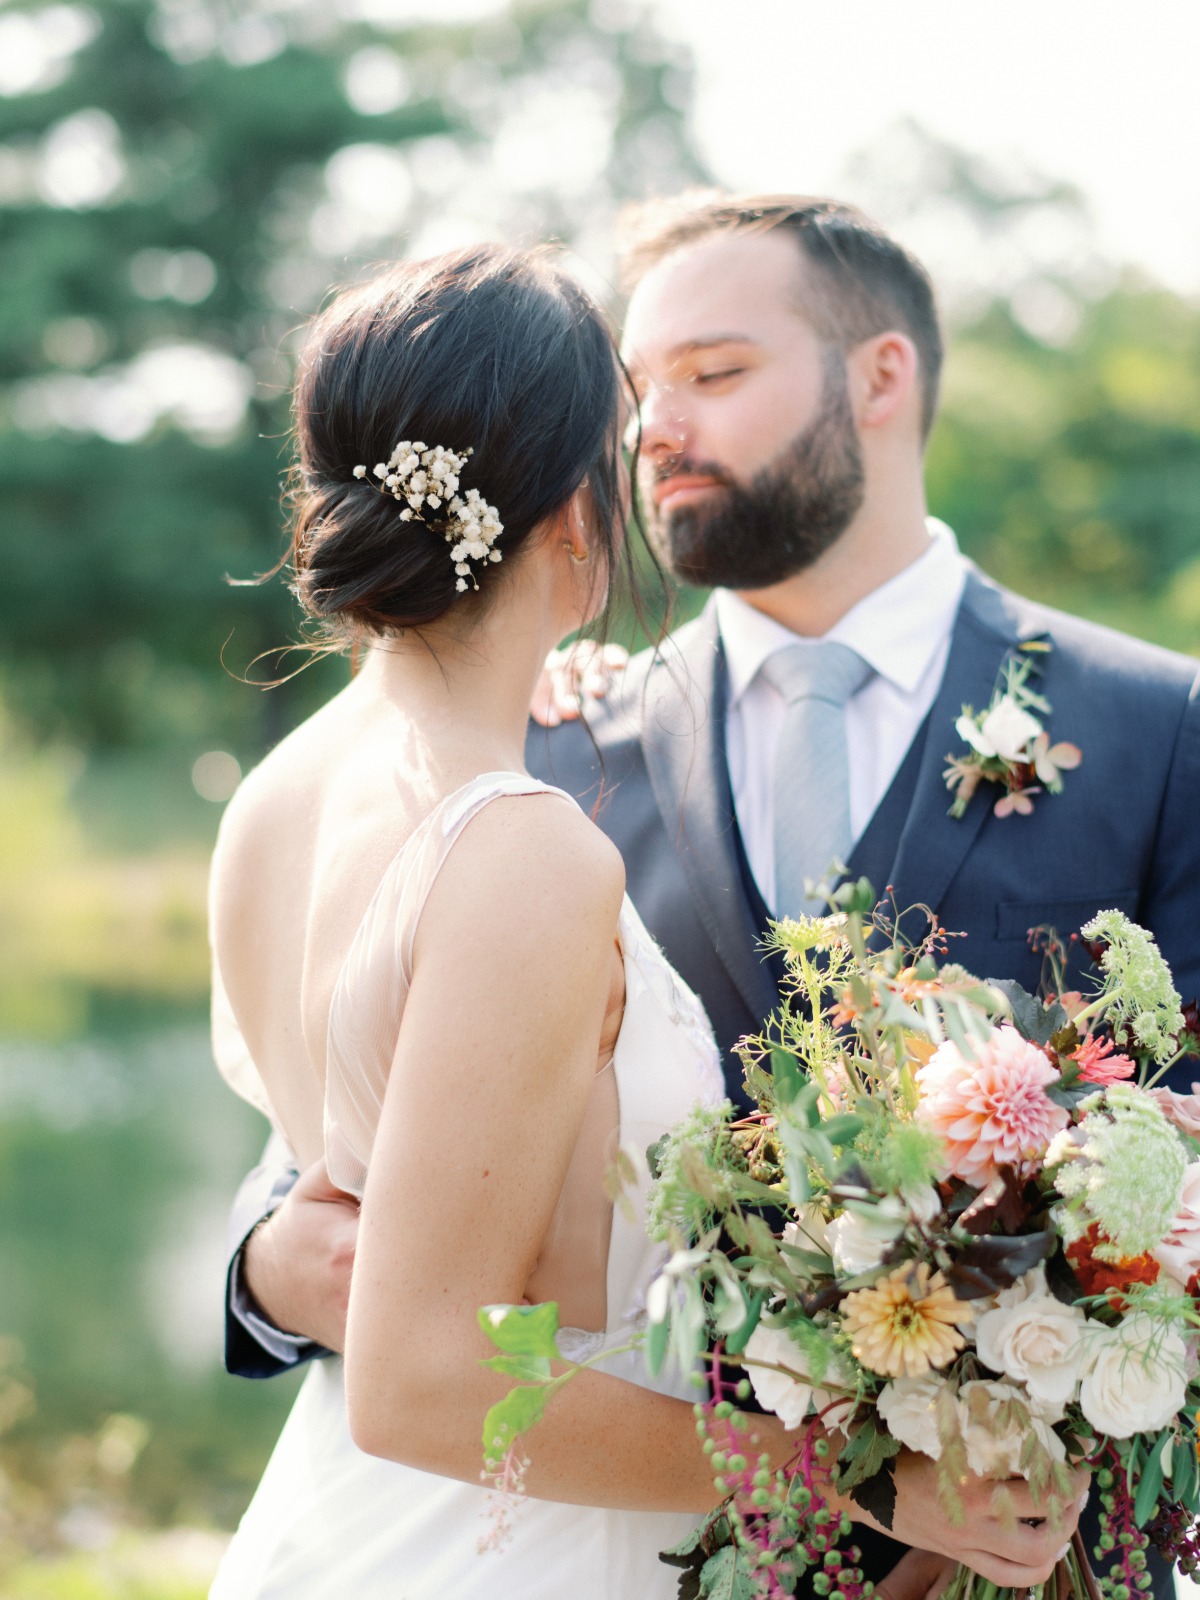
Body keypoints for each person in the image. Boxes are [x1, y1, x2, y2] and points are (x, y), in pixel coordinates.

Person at [219, 202, 1165, 1589]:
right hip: (524, 1539)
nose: (660, 439)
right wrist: (857, 1474)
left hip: (352, 1527)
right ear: (572, 513)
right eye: (633, 419)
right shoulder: (529, 833)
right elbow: (419, 1375)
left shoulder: (274, 801)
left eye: (708, 378)